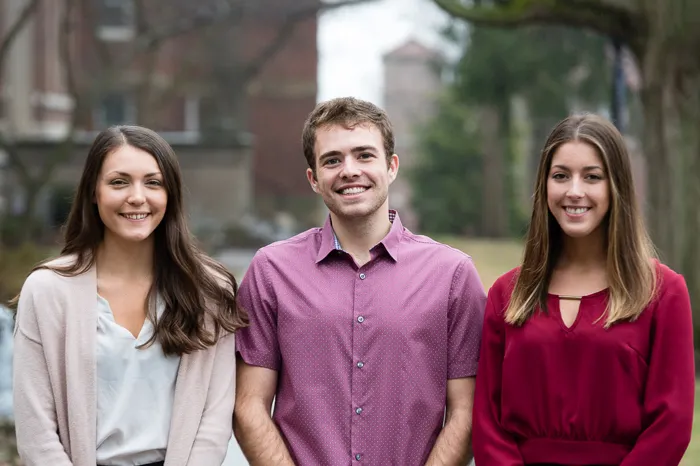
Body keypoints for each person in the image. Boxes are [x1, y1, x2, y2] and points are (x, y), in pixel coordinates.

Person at [233, 97, 487, 465]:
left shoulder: (452, 275)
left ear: (392, 166)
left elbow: (467, 412)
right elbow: (249, 406)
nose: (349, 170)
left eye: (364, 155)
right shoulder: (271, 271)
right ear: (314, 179)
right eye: (332, 160)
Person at [12, 125, 248, 466]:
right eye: (119, 182)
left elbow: (213, 420)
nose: (137, 197)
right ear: (94, 192)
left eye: (153, 182)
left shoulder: (209, 291)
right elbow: (36, 433)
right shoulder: (48, 291)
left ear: (171, 194)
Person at [472, 114, 695, 465]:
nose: (574, 191)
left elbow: (672, 423)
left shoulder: (663, 293)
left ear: (615, 186)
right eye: (561, 176)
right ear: (545, 186)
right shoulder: (508, 294)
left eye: (592, 177)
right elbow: (486, 419)